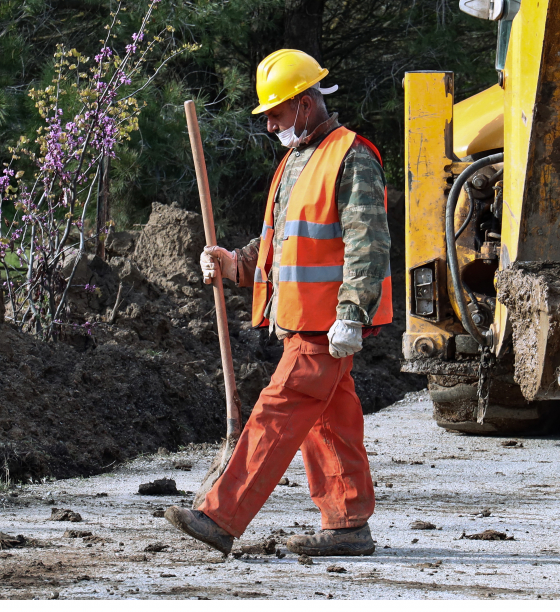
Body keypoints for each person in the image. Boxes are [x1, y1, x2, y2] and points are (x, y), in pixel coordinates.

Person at [165, 49, 392, 557]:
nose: (270, 125)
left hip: (326, 324)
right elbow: (281, 246)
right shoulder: (296, 160)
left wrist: (352, 313)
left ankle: (220, 517)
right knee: (330, 424)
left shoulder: (351, 156)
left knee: (277, 411)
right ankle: (348, 523)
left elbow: (367, 244)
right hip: (300, 321)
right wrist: (233, 263)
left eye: (276, 113)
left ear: (306, 105)